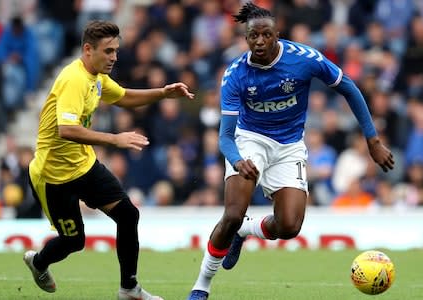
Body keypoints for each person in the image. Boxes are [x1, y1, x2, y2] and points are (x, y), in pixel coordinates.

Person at [187, 3, 394, 299]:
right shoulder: (235, 75)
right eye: (253, 36)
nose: (259, 41)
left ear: (277, 35)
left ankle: (246, 230)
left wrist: (372, 140)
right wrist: (237, 159)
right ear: (245, 38)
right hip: (250, 140)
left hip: (289, 145)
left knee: (289, 227)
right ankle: (201, 286)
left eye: (266, 35)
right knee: (232, 213)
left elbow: (348, 87)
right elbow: (225, 137)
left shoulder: (304, 59)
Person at [23, 20, 194, 300]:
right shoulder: (74, 80)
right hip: (54, 176)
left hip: (84, 165)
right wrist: (115, 139)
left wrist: (163, 93)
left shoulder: (97, 77)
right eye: (108, 51)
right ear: (88, 50)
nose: (114, 57)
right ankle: (39, 262)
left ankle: (129, 289)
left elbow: (124, 97)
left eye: (116, 50)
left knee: (128, 215)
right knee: (74, 242)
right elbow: (65, 130)